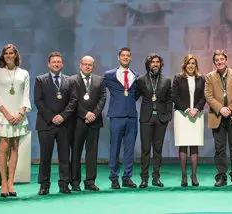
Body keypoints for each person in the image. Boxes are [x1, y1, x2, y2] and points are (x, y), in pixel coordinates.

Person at [0, 44, 31, 197]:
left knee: (15, 148)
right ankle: (3, 183)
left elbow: (26, 95)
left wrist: (20, 114)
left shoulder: (24, 73)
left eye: (11, 53)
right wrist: (7, 115)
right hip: (3, 115)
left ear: (15, 55)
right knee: (3, 148)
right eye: (6, 53)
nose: (8, 55)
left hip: (19, 115)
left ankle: (11, 182)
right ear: (3, 56)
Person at [34, 52, 77, 195]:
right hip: (46, 124)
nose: (56, 64)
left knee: (64, 157)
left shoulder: (69, 80)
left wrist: (63, 116)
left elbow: (73, 101)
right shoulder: (40, 80)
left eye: (59, 62)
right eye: (54, 62)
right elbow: (38, 101)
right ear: (49, 64)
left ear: (62, 64)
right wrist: (52, 117)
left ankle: (64, 183)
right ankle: (44, 185)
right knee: (45, 157)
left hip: (64, 125)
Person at [204, 50, 232, 187]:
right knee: (219, 149)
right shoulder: (209, 77)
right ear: (214, 62)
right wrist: (220, 108)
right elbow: (208, 96)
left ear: (226, 60)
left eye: (222, 59)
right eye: (217, 60)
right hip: (217, 116)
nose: (219, 62)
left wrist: (231, 109)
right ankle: (221, 177)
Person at [104, 47, 139, 189]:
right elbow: (100, 92)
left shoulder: (135, 75)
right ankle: (114, 177)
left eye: (128, 55)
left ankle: (127, 177)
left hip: (131, 116)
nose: (125, 57)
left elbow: (136, 94)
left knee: (129, 148)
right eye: (123, 55)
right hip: (116, 116)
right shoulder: (109, 75)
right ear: (118, 58)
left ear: (130, 58)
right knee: (115, 147)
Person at [136, 53, 172, 188]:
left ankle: (156, 178)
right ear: (148, 64)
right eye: (152, 62)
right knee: (145, 150)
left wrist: (168, 116)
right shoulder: (140, 80)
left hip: (161, 119)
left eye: (157, 62)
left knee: (158, 150)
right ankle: (144, 179)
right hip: (146, 118)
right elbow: (135, 95)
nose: (155, 64)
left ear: (160, 64)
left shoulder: (167, 80)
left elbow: (169, 99)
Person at [71, 56, 106, 191]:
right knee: (76, 152)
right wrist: (85, 114)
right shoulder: (72, 80)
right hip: (77, 121)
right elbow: (73, 100)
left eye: (90, 65)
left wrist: (94, 114)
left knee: (92, 152)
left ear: (93, 66)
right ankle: (75, 182)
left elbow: (103, 98)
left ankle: (90, 181)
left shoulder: (99, 80)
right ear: (80, 65)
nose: (87, 67)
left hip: (94, 122)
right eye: (85, 64)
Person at [172, 54, 206, 187]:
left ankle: (194, 175)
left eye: (193, 63)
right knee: (183, 144)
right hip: (182, 115)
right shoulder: (178, 78)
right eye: (188, 63)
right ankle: (184, 176)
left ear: (196, 65)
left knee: (194, 145)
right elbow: (174, 96)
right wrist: (187, 109)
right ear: (184, 65)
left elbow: (204, 97)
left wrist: (196, 109)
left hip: (197, 114)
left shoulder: (201, 79)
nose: (191, 66)